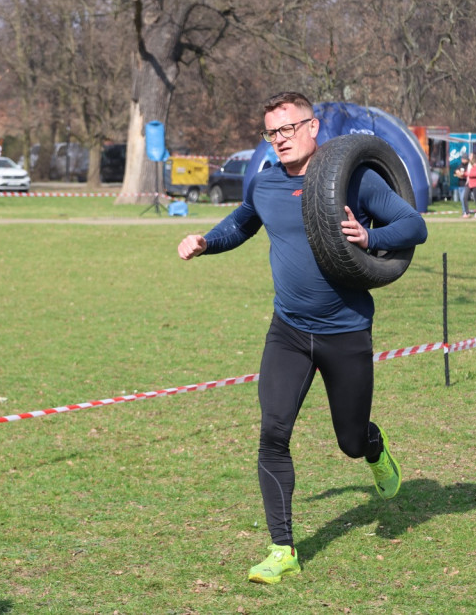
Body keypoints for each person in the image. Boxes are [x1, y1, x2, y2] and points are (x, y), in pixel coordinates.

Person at [177, 91, 428, 585]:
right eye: (272, 132)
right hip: (288, 331)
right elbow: (240, 224)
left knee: (349, 441)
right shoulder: (267, 183)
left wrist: (370, 239)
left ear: (313, 128)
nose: (280, 139)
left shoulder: (355, 179)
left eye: (289, 128)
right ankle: (282, 548)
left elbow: (413, 225)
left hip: (346, 331)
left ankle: (373, 447)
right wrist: (206, 242)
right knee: (273, 435)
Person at [464, 152, 476, 218]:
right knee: (465, 197)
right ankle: (467, 213)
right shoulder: (469, 164)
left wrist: (468, 174)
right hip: (469, 183)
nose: (469, 156)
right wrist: (462, 174)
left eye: (470, 156)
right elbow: (467, 173)